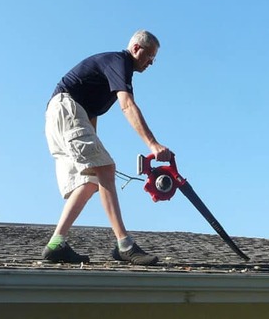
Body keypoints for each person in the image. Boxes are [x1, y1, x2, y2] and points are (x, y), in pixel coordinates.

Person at [42, 30, 172, 266]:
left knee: (91, 181)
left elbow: (90, 113)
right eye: (149, 55)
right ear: (136, 48)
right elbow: (127, 105)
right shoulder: (119, 61)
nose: (151, 62)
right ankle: (125, 245)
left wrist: (97, 153)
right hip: (65, 108)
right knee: (105, 170)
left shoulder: (115, 70)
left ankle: (55, 244)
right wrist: (152, 144)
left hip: (59, 114)